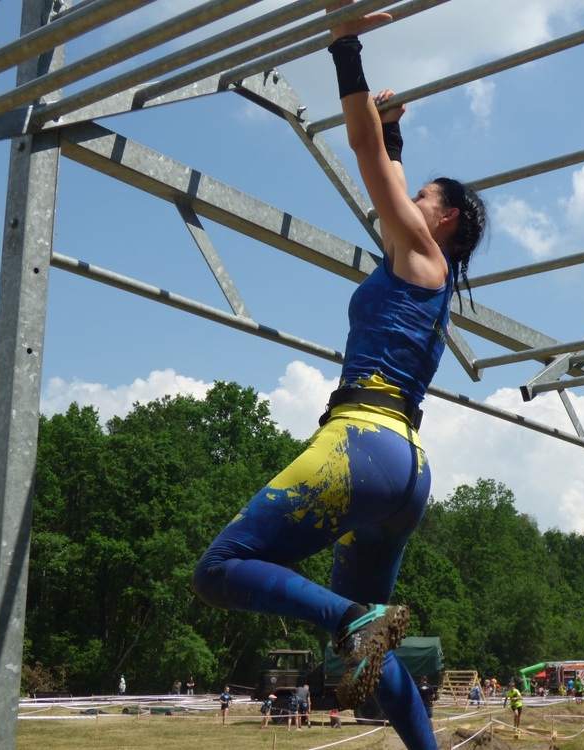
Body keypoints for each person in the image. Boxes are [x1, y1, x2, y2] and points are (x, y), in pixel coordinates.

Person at [190, 3, 486, 750]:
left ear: (445, 220)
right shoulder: (432, 277)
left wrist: (344, 43)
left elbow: (362, 152)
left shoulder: (420, 250)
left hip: (363, 448)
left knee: (221, 569)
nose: (407, 201)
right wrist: (395, 134)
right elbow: (385, 162)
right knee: (368, 653)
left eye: (422, 199)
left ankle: (351, 619)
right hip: (408, 473)